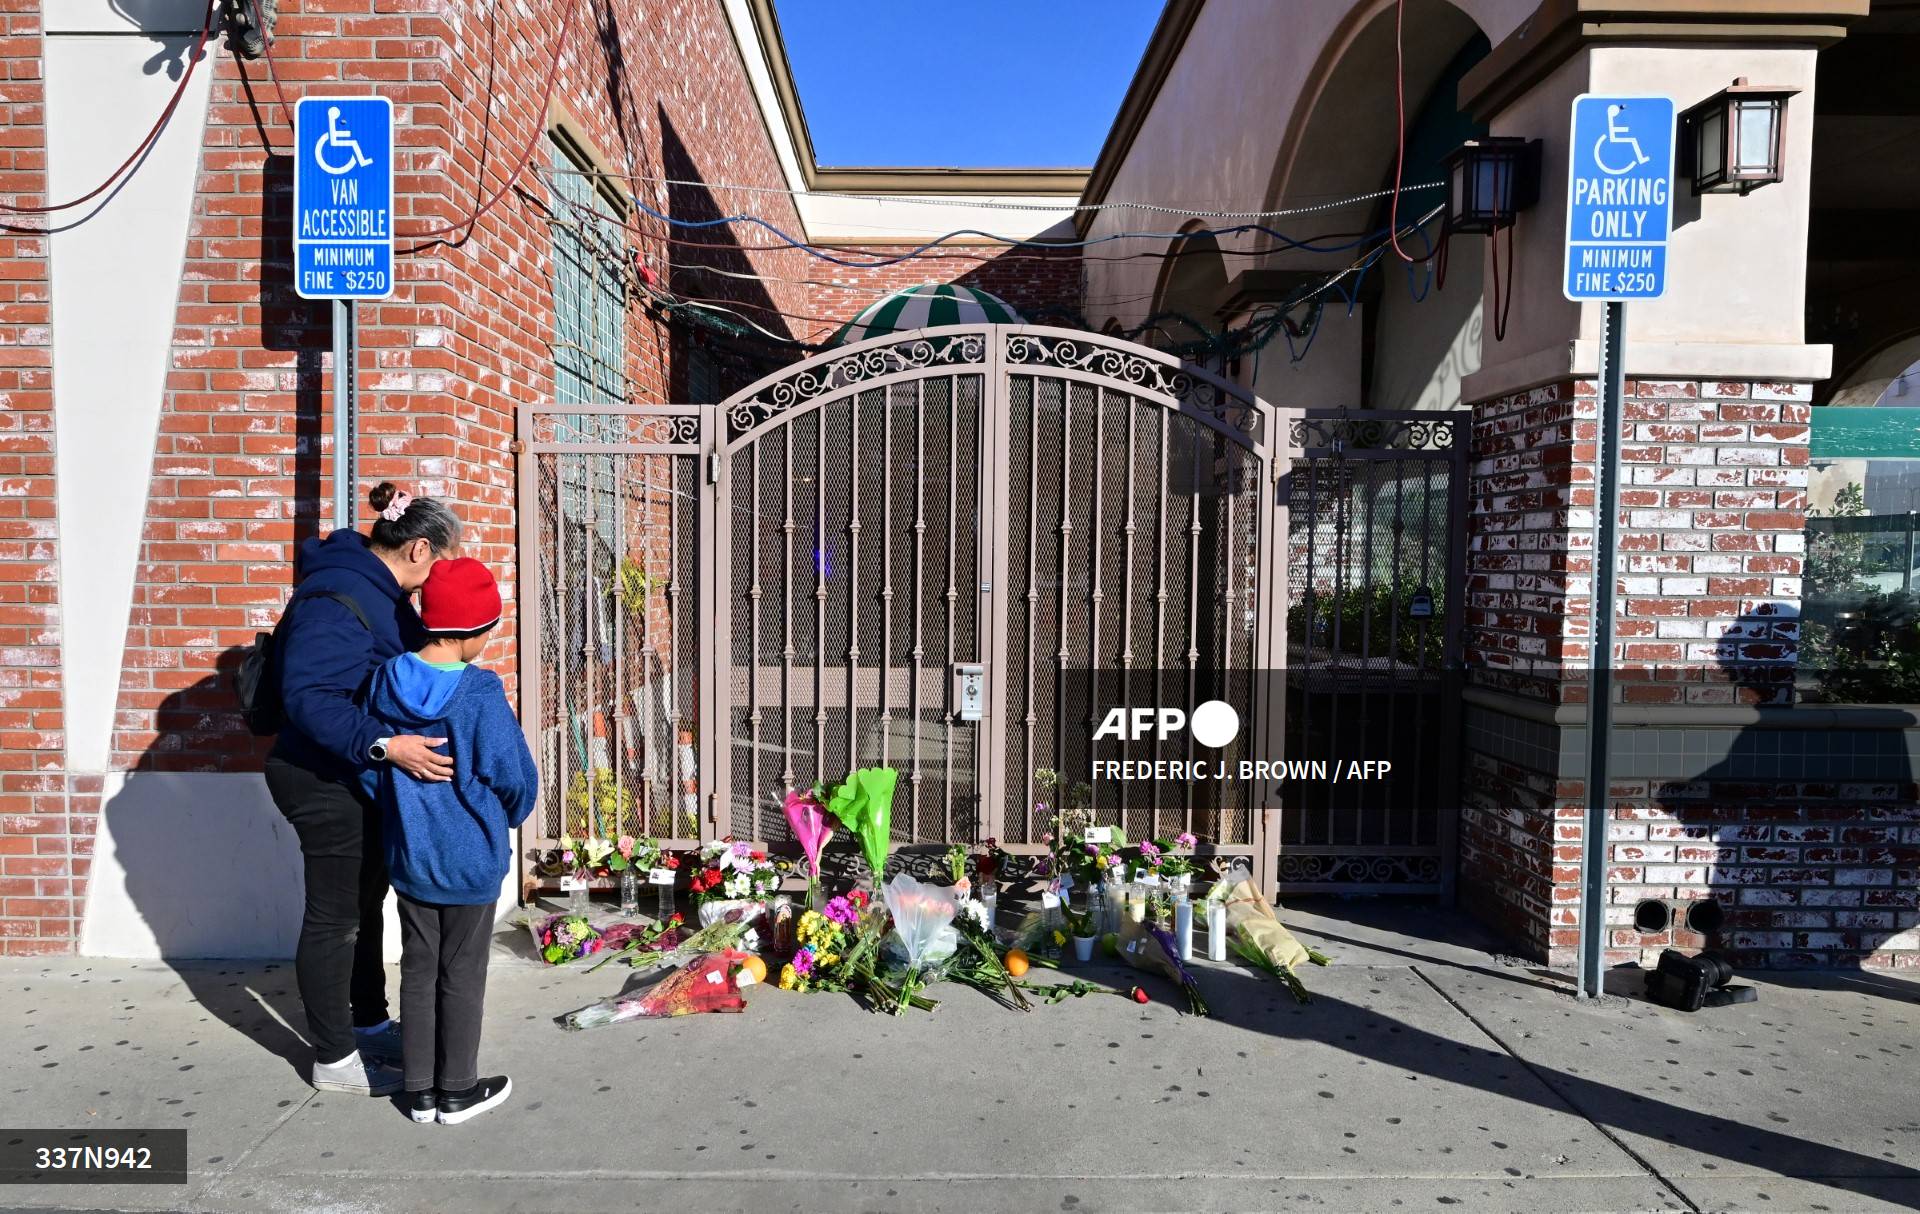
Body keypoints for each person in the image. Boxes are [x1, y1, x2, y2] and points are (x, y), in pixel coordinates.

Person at [264, 482, 461, 1096]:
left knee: (362, 905)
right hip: (322, 776)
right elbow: (310, 698)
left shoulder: (379, 589)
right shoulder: (338, 594)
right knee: (334, 917)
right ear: (419, 549)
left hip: (358, 776)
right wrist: (388, 745)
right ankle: (333, 1059)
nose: (442, 577)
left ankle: (367, 1021)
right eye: (444, 563)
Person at [360, 556, 535, 1125]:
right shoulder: (481, 692)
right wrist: (506, 815)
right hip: (470, 858)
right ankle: (457, 1090)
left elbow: (369, 763)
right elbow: (514, 777)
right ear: (473, 630)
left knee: (418, 966)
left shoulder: (386, 679)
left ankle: (419, 1091)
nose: (489, 639)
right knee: (462, 971)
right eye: (488, 630)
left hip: (411, 853)